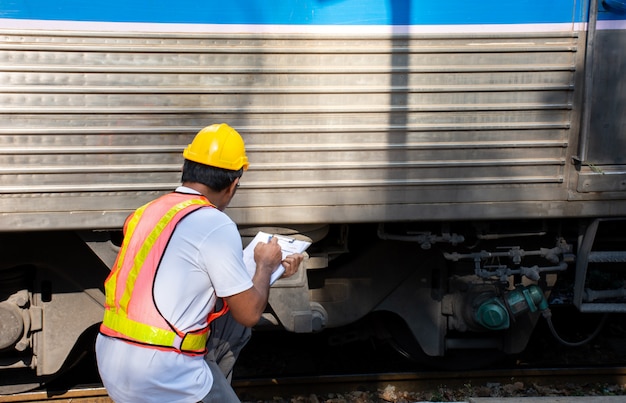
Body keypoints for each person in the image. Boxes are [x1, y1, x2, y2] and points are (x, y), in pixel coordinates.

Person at [95, 123, 304, 403]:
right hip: (160, 371)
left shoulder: (147, 212)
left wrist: (270, 272)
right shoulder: (215, 223)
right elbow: (250, 314)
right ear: (232, 186)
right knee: (241, 320)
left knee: (231, 323)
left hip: (112, 356)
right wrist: (265, 266)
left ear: (185, 170)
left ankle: (213, 385)